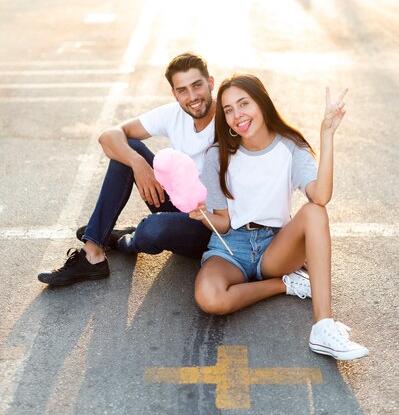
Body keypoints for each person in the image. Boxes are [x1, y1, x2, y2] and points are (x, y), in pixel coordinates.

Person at [189, 74, 369, 361]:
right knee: (210, 298)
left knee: (314, 211)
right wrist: (204, 216)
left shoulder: (290, 146)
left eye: (243, 104)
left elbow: (320, 196)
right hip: (231, 247)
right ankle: (286, 284)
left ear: (261, 103)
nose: (237, 115)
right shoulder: (218, 155)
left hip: (275, 247)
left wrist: (327, 134)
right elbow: (222, 222)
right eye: (229, 110)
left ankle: (323, 327)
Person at [38, 53, 215, 287]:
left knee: (152, 230)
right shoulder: (174, 114)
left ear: (210, 82)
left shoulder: (229, 116)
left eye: (197, 85)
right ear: (174, 94)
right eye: (182, 90)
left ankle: (126, 240)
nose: (192, 96)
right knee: (128, 147)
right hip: (180, 204)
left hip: (211, 224)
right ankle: (93, 253)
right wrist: (137, 162)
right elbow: (108, 136)